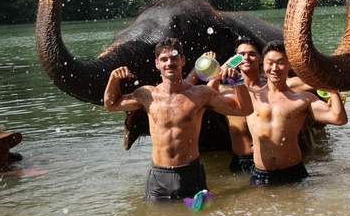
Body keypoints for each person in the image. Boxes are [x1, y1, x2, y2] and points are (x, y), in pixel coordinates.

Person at [104, 37, 253, 201]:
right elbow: (112, 104)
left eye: (174, 58)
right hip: (159, 176)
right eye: (164, 59)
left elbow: (245, 109)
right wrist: (113, 79)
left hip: (191, 174)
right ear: (157, 64)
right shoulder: (146, 94)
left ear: (183, 61)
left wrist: (238, 81)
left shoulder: (201, 94)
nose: (170, 63)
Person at [197, 37, 323, 175]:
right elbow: (205, 98)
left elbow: (316, 82)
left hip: (271, 161)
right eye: (241, 55)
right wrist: (224, 67)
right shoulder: (226, 89)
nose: (246, 58)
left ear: (261, 59)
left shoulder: (274, 85)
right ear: (235, 59)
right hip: (242, 160)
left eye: (251, 54)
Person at [246, 40, 348, 185]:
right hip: (261, 175)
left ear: (289, 65)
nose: (275, 68)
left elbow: (339, 119)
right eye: (270, 62)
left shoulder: (302, 99)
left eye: (281, 62)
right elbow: (216, 98)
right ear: (264, 64)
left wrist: (332, 88)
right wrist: (224, 71)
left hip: (293, 173)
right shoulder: (251, 97)